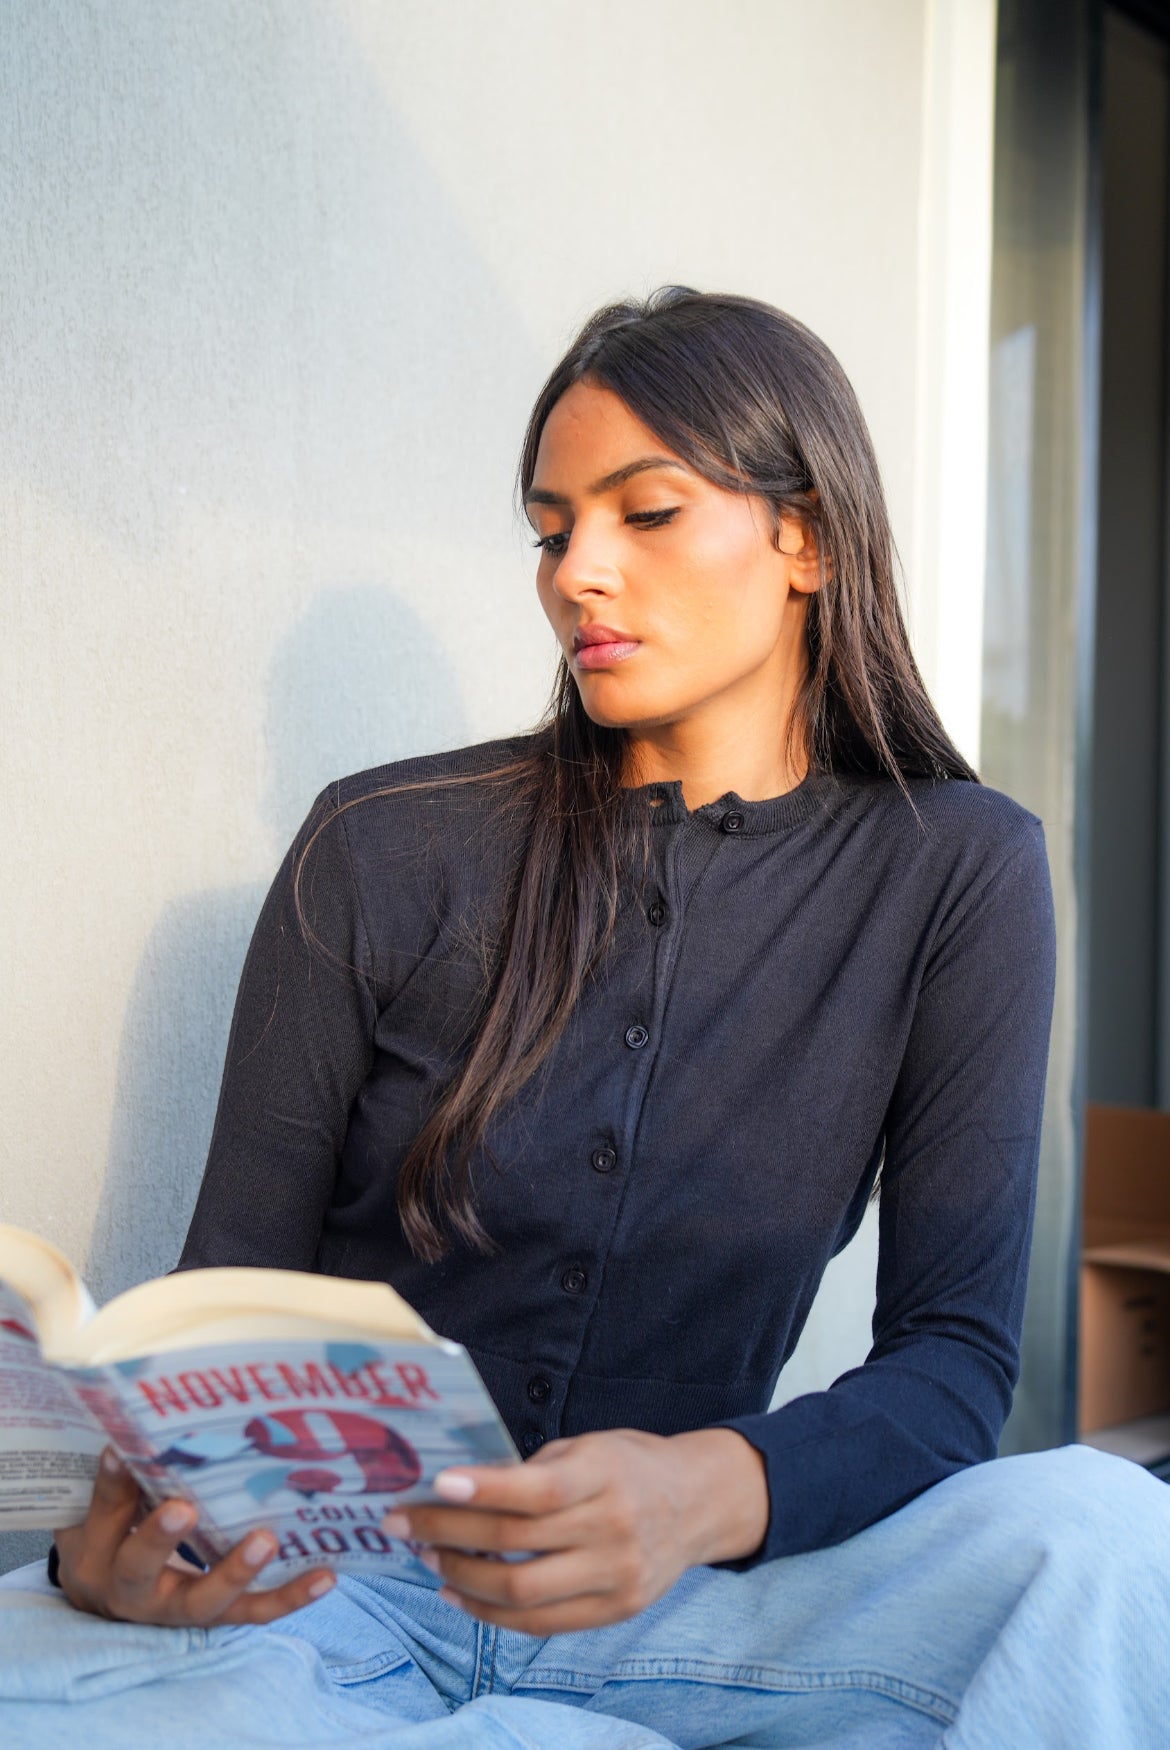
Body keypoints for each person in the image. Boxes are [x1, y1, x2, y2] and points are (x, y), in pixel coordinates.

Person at [2, 288, 1168, 1748]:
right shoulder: (378, 845)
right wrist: (108, 1552)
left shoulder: (960, 868)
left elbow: (951, 1361)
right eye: (553, 530)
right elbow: (222, 1298)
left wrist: (707, 1491)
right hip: (329, 1600)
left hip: (702, 1602)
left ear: (803, 535)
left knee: (1111, 1536)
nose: (576, 575)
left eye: (645, 512)